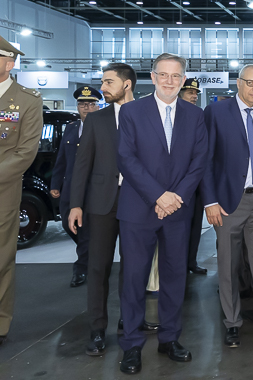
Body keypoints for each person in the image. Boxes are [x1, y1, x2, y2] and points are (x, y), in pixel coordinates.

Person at [116, 53, 208, 374]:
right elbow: (126, 158)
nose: (170, 81)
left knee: (173, 277)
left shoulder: (195, 116)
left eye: (176, 76)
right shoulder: (131, 112)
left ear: (183, 80)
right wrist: (158, 195)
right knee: (134, 279)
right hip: (139, 208)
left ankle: (170, 338)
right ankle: (131, 344)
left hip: (178, 211)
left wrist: (176, 197)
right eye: (163, 75)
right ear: (152, 78)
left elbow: (199, 162)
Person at [203, 66, 253, 349]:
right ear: (238, 83)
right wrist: (210, 201)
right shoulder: (217, 112)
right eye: (249, 83)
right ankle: (232, 323)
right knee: (228, 265)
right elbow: (206, 160)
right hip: (228, 202)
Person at [69, 64, 139, 356]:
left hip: (138, 201)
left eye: (109, 82)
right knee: (98, 268)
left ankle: (130, 320)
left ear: (127, 84)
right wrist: (75, 204)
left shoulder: (148, 114)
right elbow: (81, 164)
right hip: (100, 202)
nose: (103, 87)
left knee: (134, 267)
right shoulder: (96, 120)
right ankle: (97, 330)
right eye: (102, 81)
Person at [0, 36, 43, 346]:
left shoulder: (27, 100)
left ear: (9, 62)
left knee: (1, 258)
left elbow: (25, 151)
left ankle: (0, 323)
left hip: (3, 189)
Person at [50, 85, 101, 287]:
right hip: (70, 189)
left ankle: (81, 268)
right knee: (68, 226)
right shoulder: (71, 128)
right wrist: (55, 183)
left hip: (94, 190)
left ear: (98, 106)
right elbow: (61, 158)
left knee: (86, 230)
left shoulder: (104, 128)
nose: (86, 108)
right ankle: (91, 256)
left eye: (90, 104)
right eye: (82, 104)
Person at [178, 78, 207, 276]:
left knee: (195, 225)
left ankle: (190, 261)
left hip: (196, 182)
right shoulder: (173, 115)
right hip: (176, 184)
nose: (194, 96)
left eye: (196, 94)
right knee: (178, 228)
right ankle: (178, 264)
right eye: (190, 93)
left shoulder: (198, 116)